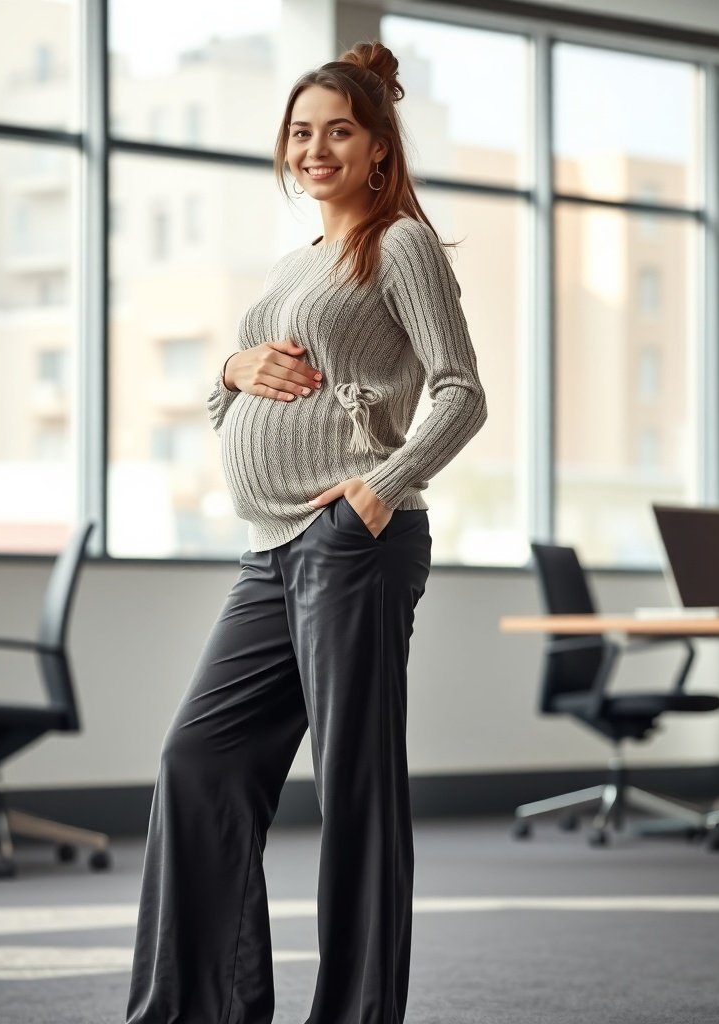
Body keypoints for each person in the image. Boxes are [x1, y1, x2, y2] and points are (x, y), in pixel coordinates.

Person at [125, 39, 487, 1024]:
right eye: (300, 132)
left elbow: (461, 394)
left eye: (338, 130)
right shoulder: (297, 262)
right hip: (268, 549)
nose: (315, 146)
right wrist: (233, 370)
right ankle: (198, 1008)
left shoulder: (398, 243)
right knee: (196, 764)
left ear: (378, 149)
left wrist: (382, 487)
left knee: (354, 789)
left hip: (350, 541)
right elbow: (226, 403)